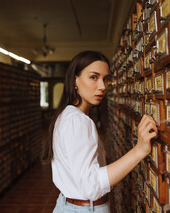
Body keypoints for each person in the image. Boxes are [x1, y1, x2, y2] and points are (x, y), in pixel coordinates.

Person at [41, 51, 157, 213]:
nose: (102, 86)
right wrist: (139, 150)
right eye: (93, 77)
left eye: (106, 79)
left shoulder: (68, 115)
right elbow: (91, 185)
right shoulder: (77, 121)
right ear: (75, 79)